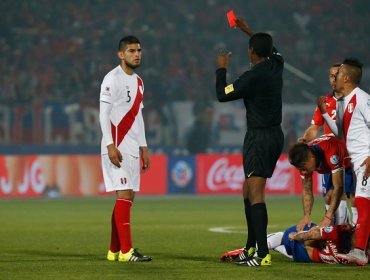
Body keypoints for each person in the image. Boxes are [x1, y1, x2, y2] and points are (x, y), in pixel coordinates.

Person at [215, 16, 284, 266]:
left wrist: (222, 67)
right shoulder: (277, 64)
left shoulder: (252, 77)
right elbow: (268, 47)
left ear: (251, 52)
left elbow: (222, 95)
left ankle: (263, 254)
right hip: (274, 135)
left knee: (255, 193)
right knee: (248, 190)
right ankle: (250, 247)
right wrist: (248, 31)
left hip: (259, 137)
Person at [99, 35, 152, 262]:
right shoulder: (112, 79)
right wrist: (110, 145)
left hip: (131, 147)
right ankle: (127, 250)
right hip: (116, 147)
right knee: (123, 195)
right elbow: (103, 114)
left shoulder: (139, 82)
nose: (137, 54)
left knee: (128, 197)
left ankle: (114, 250)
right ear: (121, 54)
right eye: (131, 51)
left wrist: (144, 147)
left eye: (139, 50)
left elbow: (138, 116)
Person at [319, 58, 370, 265]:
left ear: (346, 78)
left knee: (363, 205)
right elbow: (340, 132)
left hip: (366, 160)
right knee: (362, 203)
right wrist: (324, 111)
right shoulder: (343, 101)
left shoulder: (362, 99)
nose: (334, 78)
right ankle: (360, 250)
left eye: (338, 75)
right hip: (358, 162)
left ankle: (359, 252)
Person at [299, 63, 357, 226]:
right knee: (330, 195)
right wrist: (306, 139)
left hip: (353, 153)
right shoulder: (325, 102)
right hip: (330, 153)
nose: (333, 79)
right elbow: (314, 127)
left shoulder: (356, 100)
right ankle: (335, 230)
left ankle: (359, 234)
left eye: (337, 75)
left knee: (354, 195)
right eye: (331, 76)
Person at [289, 135, 353, 231]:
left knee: (354, 199)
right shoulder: (304, 159)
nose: (304, 171)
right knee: (328, 198)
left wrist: (328, 217)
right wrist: (307, 216)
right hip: (329, 167)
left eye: (304, 167)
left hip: (349, 163)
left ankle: (353, 232)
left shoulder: (331, 152)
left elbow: (338, 187)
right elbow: (307, 190)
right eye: (300, 169)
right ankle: (333, 231)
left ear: (311, 157)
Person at [220, 223, 356, 264]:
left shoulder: (340, 232)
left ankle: (244, 251)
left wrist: (296, 236)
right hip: (310, 254)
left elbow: (313, 234)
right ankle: (248, 250)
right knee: (283, 242)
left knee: (285, 236)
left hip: (309, 253)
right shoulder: (362, 254)